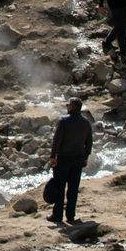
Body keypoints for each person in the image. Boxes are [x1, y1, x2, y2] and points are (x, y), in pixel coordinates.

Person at [47, 96, 94, 226]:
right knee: (73, 189)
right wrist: (86, 157)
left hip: (63, 159)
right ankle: (71, 216)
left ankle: (57, 215)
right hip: (78, 159)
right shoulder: (85, 122)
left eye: (68, 105)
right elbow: (89, 142)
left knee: (60, 187)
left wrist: (53, 156)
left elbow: (57, 140)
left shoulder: (64, 121)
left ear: (72, 107)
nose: (67, 107)